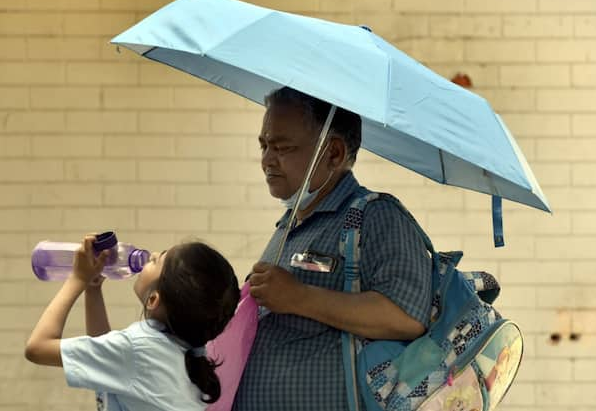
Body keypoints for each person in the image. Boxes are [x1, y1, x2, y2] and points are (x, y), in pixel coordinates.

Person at [233, 87, 433, 411]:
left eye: (283, 147)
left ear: (334, 153)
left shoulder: (375, 216)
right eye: (264, 145)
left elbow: (406, 316)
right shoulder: (289, 225)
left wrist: (299, 297)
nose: (267, 159)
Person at [25, 236, 240, 411]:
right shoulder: (188, 351)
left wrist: (77, 280)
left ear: (154, 299)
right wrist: (93, 289)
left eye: (156, 261)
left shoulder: (139, 348)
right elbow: (106, 353)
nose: (152, 255)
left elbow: (37, 348)